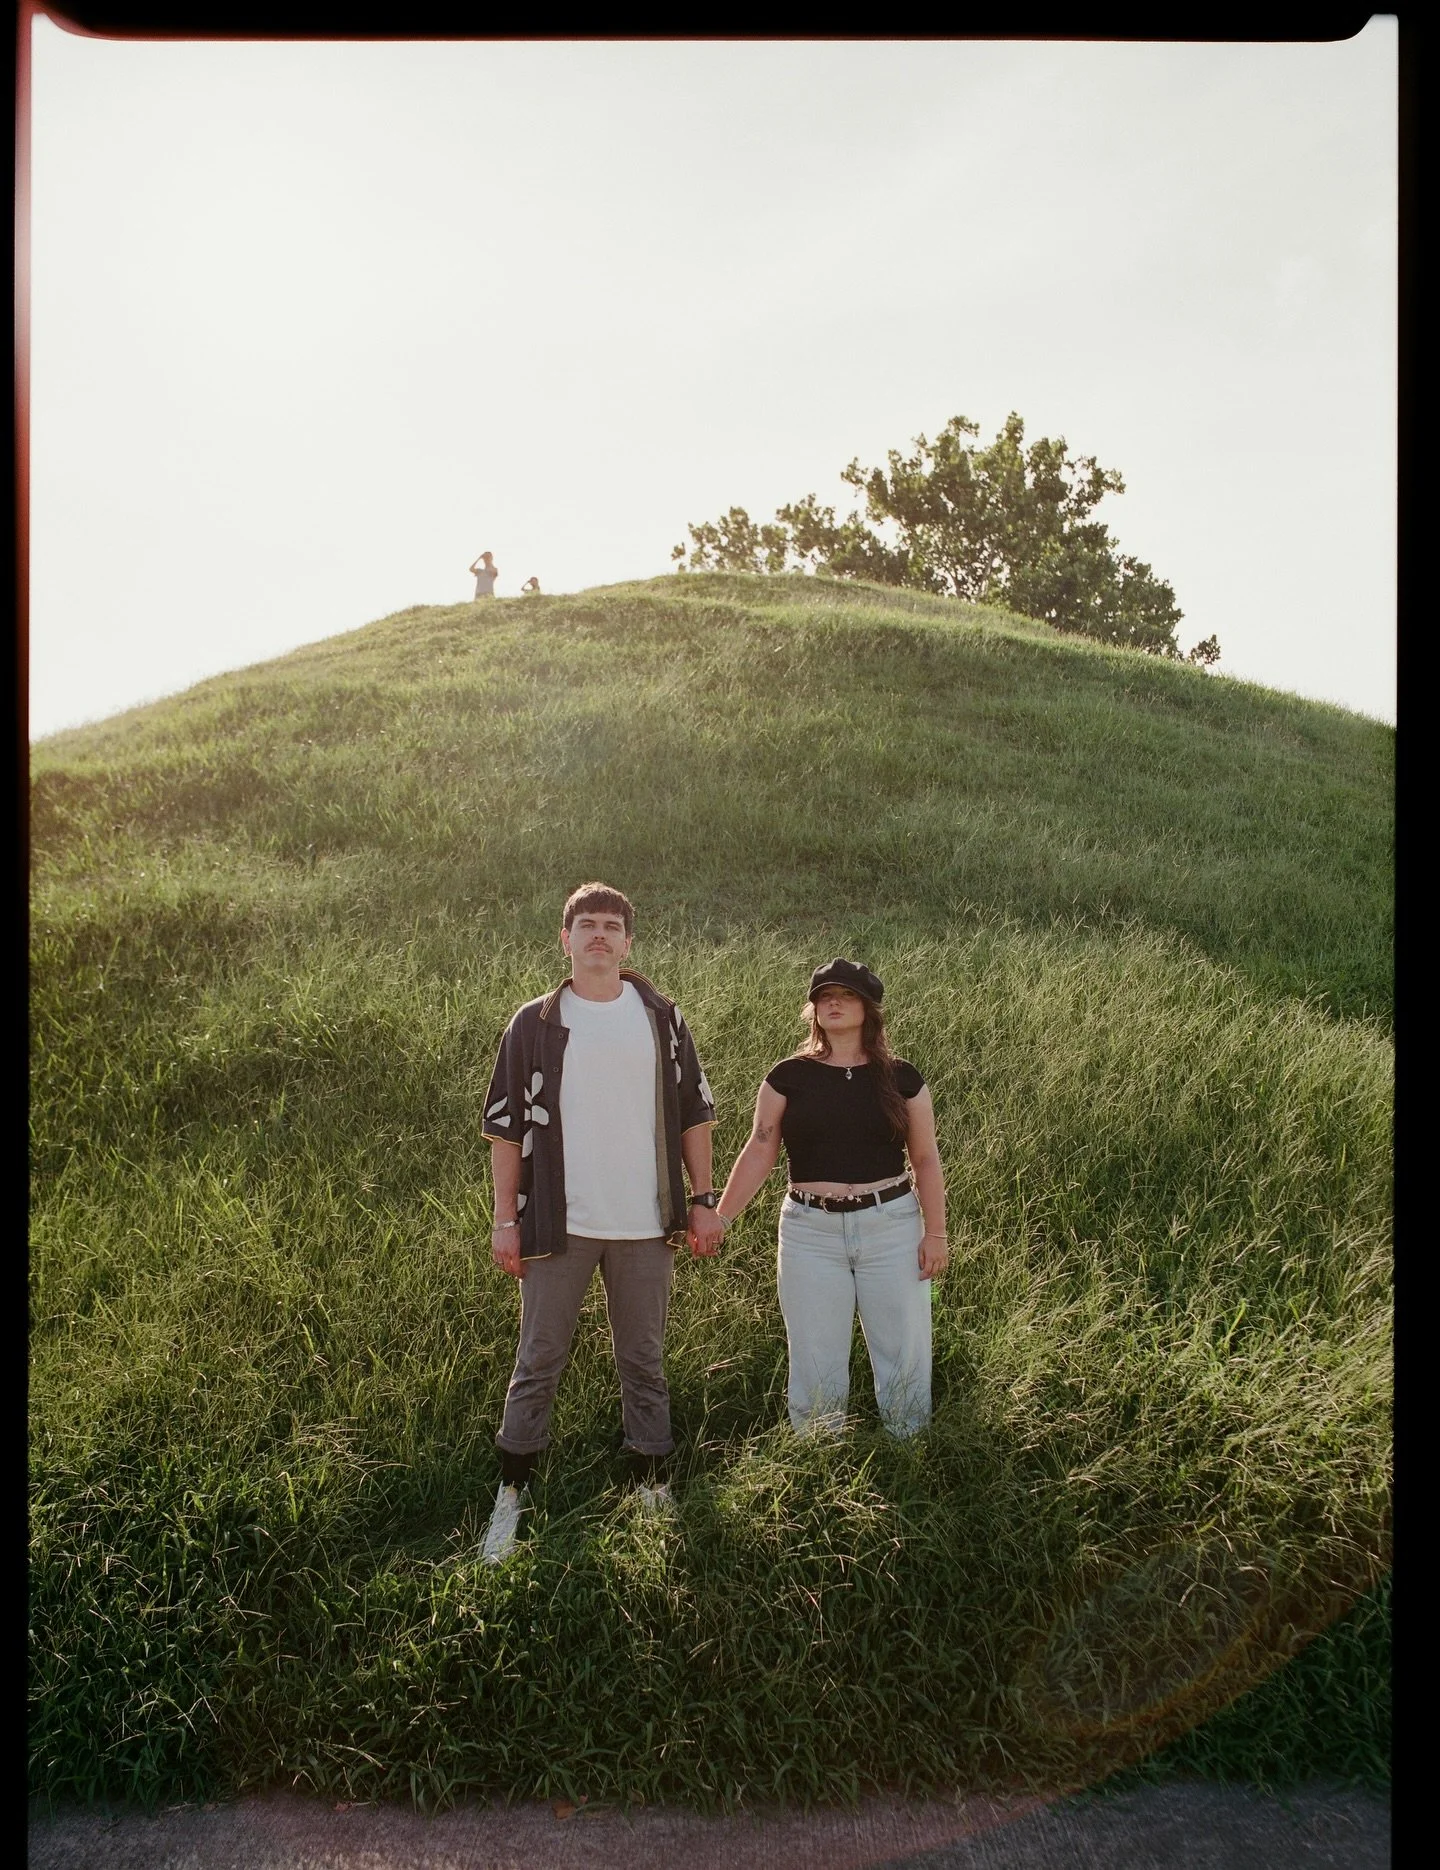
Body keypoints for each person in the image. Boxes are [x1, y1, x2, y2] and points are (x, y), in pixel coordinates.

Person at [478, 882, 723, 1563]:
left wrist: (704, 1200)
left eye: (611, 926)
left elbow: (695, 1115)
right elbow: (506, 1130)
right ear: (566, 939)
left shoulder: (661, 1018)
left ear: (627, 942)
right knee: (539, 1358)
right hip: (560, 1223)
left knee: (642, 1358)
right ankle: (511, 1492)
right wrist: (506, 1219)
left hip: (647, 1224)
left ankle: (650, 1484)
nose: (598, 936)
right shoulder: (534, 1023)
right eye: (586, 925)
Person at [714, 959, 948, 1438]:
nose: (833, 1002)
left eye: (845, 994)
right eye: (823, 996)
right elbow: (760, 1149)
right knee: (815, 1349)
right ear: (813, 1011)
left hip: (891, 1225)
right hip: (809, 1231)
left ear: (869, 1008)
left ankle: (909, 1451)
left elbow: (925, 1159)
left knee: (903, 1346)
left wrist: (936, 1232)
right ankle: (819, 1458)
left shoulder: (902, 1078)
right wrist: (721, 1218)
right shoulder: (788, 1076)